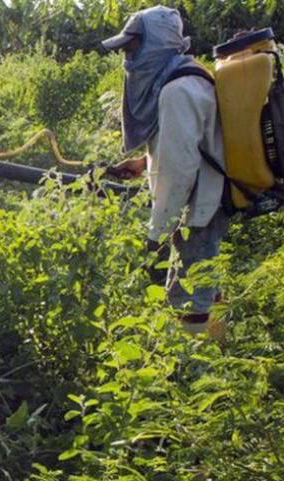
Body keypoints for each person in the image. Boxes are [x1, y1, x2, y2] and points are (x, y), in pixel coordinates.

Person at [102, 6, 228, 336]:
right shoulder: (182, 75)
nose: (128, 58)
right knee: (201, 281)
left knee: (189, 296)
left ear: (157, 44)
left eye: (133, 48)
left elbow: (178, 172)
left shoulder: (177, 90)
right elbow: (188, 144)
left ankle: (197, 370)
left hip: (201, 205)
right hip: (201, 198)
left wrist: (155, 235)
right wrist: (145, 164)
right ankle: (221, 349)